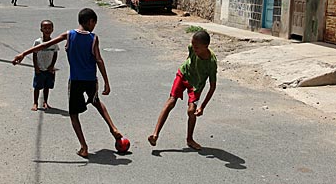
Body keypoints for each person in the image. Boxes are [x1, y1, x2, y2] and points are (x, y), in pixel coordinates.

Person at [12, 8, 123, 158]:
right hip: (91, 79)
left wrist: (23, 53)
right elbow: (99, 60)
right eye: (94, 23)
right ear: (90, 22)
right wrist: (106, 82)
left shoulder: (69, 35)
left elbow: (45, 45)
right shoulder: (93, 38)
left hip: (76, 80)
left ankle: (84, 147)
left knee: (73, 114)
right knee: (96, 102)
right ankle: (113, 128)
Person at [148, 30, 217, 150]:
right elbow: (189, 58)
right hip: (183, 75)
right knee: (171, 102)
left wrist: (202, 106)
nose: (194, 49)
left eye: (197, 47)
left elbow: (212, 87)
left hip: (196, 85)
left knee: (191, 111)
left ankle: (189, 139)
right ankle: (155, 135)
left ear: (206, 46)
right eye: (193, 45)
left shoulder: (211, 62)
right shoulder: (191, 47)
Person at [32, 20, 59, 111]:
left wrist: (52, 66)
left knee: (47, 86)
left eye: (49, 28)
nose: (47, 30)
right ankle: (35, 103)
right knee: (37, 87)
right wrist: (36, 67)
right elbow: (34, 54)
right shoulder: (37, 42)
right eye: (45, 28)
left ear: (52, 29)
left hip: (49, 68)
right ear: (41, 29)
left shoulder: (54, 42)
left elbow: (55, 54)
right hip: (40, 68)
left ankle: (45, 102)